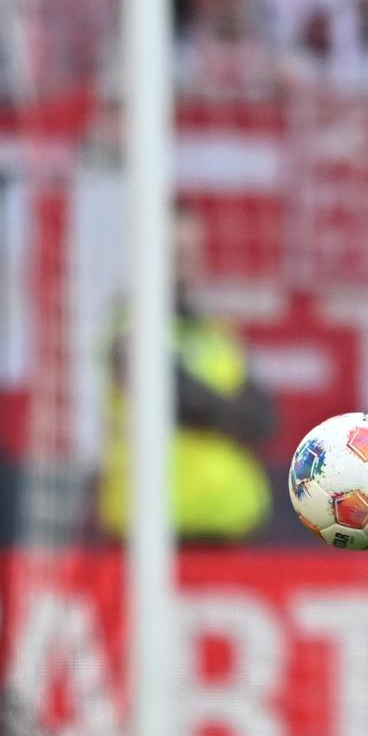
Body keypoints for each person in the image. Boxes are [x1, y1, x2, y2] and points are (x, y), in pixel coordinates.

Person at [101, 203, 276, 542]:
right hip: (154, 531)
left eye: (190, 252)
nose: (183, 263)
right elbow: (181, 400)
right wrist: (226, 409)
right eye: (173, 252)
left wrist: (217, 409)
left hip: (229, 525)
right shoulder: (127, 329)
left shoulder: (215, 331)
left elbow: (264, 419)